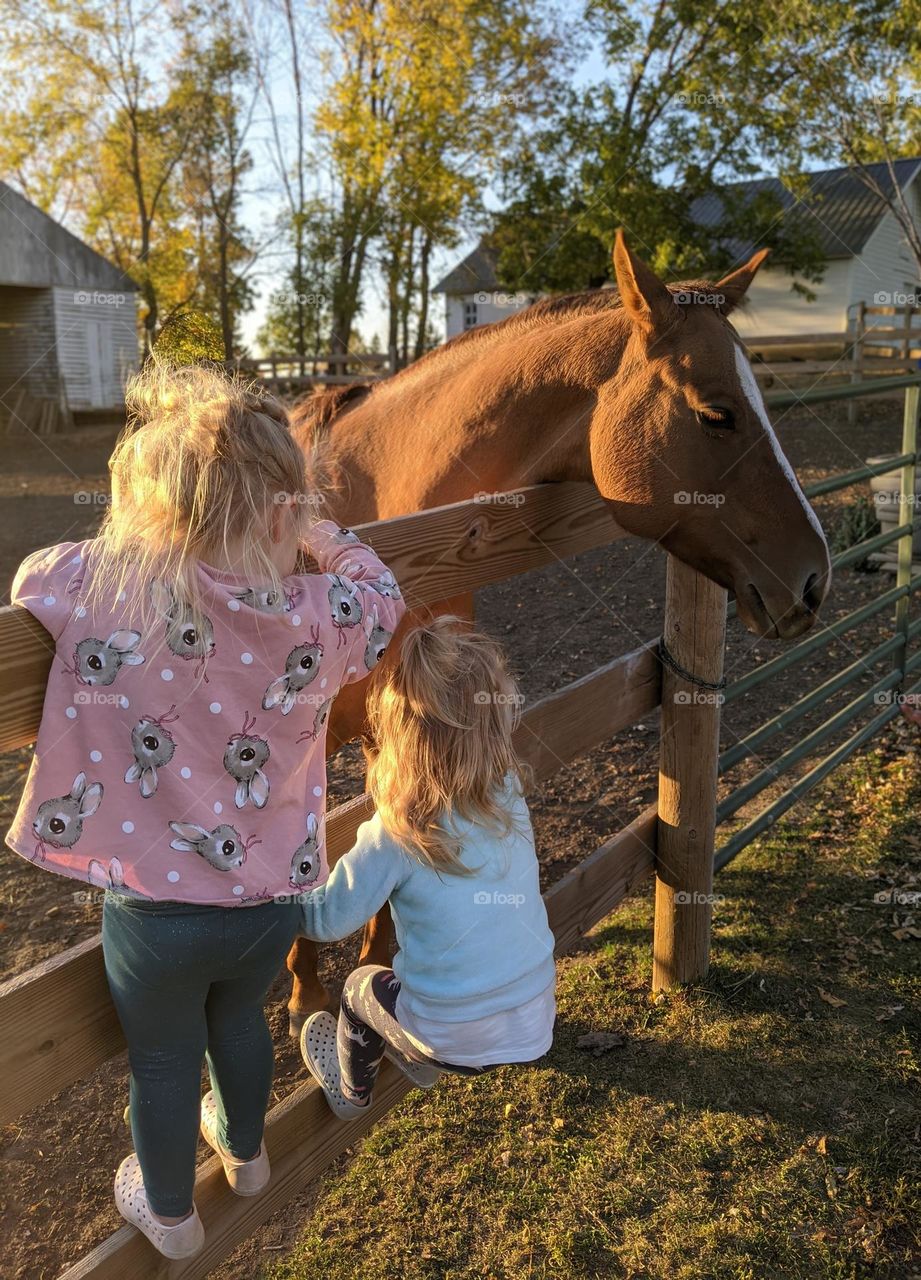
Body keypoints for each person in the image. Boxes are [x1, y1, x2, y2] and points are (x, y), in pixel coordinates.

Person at [5, 364, 405, 1258]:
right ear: (281, 513)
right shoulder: (320, 611)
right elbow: (384, 595)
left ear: (154, 509)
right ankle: (249, 1156)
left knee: (160, 1059)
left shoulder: (105, 586)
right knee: (237, 1024)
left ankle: (171, 1217)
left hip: (155, 911)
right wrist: (326, 536)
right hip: (269, 900)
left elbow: (37, 572)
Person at [299, 617, 556, 1119]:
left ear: (395, 736)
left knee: (359, 988)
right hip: (533, 1020)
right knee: (435, 986)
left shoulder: (396, 832)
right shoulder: (507, 793)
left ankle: (352, 1093)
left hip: (449, 1033)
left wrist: (289, 886)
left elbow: (325, 922)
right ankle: (420, 1051)